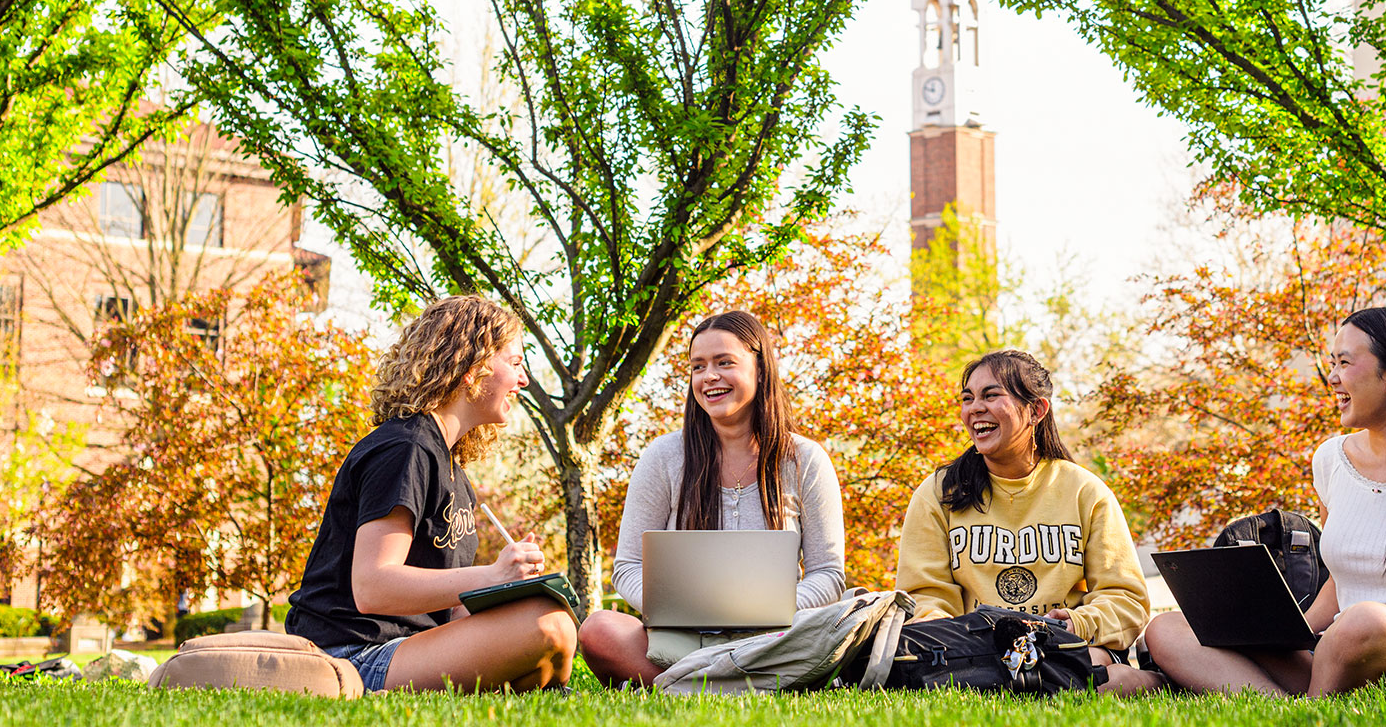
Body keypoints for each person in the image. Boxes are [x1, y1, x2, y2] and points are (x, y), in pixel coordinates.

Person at [1142, 307, 1386, 696]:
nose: (1332, 377)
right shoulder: (1330, 460)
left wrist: (1383, 632)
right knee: (1168, 630)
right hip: (1341, 652)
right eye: (1332, 362)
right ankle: (1283, 709)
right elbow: (1339, 581)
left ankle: (1311, 704)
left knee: (1365, 622)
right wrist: (1291, 632)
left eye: (1345, 362)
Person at [285, 296, 575, 693]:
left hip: (409, 647)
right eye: (516, 362)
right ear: (472, 366)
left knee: (551, 623)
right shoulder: (406, 449)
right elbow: (372, 587)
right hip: (353, 653)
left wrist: (507, 590)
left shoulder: (455, 473)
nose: (523, 380)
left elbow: (447, 610)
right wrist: (492, 574)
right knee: (547, 625)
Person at [575, 310, 845, 686]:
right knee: (599, 629)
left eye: (724, 363)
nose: (709, 377)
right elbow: (628, 566)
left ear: (761, 368)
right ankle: (725, 681)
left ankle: (692, 683)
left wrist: (767, 611)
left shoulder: (804, 460)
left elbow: (828, 574)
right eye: (698, 367)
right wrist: (678, 607)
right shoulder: (663, 457)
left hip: (773, 640)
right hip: (682, 640)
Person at [894, 348, 1162, 695]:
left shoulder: (1084, 491)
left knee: (1087, 675)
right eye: (967, 398)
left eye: (991, 395)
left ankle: (1149, 679)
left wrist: (1077, 623)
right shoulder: (939, 492)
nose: (975, 408)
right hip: (972, 654)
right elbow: (924, 597)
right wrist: (963, 640)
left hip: (1067, 647)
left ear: (1036, 410)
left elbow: (1125, 598)